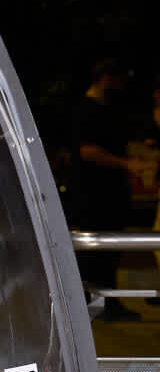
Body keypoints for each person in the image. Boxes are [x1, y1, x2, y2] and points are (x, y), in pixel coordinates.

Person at [70, 59, 147, 321]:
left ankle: (105, 304)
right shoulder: (87, 110)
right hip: (93, 195)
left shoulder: (109, 109)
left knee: (108, 254)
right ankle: (98, 305)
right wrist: (127, 164)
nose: (120, 85)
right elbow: (88, 151)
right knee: (97, 254)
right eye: (117, 79)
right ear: (105, 78)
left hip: (109, 195)